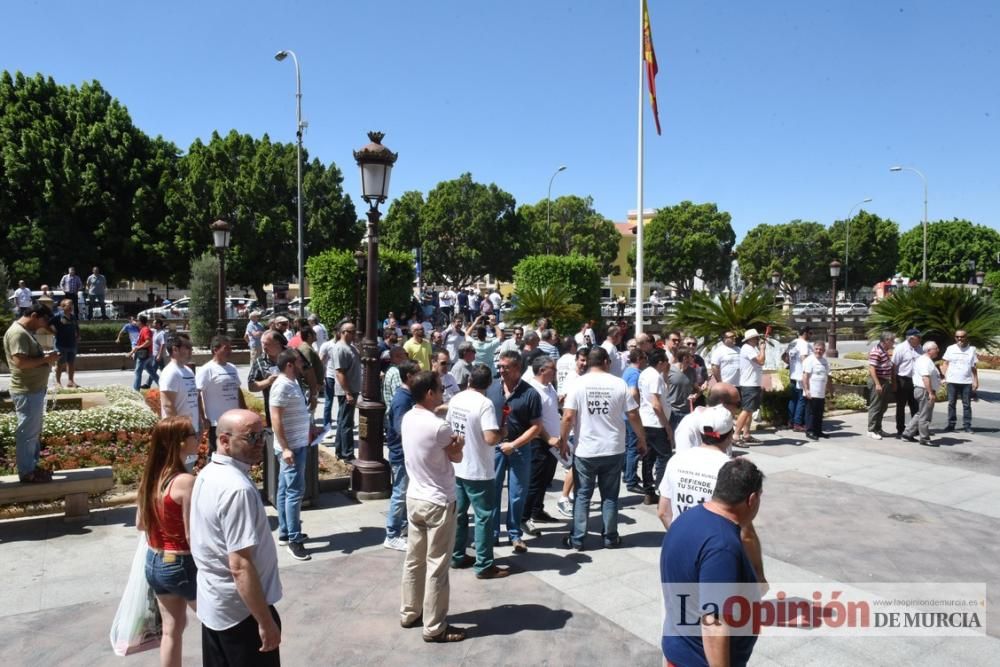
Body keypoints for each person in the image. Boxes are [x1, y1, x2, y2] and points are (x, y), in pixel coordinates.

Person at [191, 409, 282, 666]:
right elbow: (240, 565)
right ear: (224, 441)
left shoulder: (207, 473)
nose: (260, 444)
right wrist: (265, 621)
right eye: (251, 437)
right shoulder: (236, 489)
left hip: (217, 606)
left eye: (262, 435)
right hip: (243, 614)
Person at [661, 458, 765, 667]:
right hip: (697, 659)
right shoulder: (722, 547)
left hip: (679, 646)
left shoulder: (686, 518)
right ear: (752, 499)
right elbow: (713, 623)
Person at [399, 371, 467, 643]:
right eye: (439, 389)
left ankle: (409, 612)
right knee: (437, 566)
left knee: (414, 560)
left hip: (414, 496)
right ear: (429, 393)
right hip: (438, 500)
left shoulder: (409, 417)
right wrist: (459, 445)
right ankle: (434, 626)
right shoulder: (439, 426)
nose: (442, 392)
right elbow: (456, 456)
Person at [560, 346, 646, 550]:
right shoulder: (619, 384)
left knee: (582, 495)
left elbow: (568, 416)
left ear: (588, 362)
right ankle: (610, 536)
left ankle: (578, 538)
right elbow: (633, 414)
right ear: (606, 362)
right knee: (610, 496)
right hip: (613, 448)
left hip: (586, 449)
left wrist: (563, 441)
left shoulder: (579, 384)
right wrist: (642, 438)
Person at [136, 416, 200, 667]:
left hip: (154, 561)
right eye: (194, 434)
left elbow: (140, 524)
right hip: (181, 562)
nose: (198, 437)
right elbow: (192, 535)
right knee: (217, 622)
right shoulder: (185, 482)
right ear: (181, 443)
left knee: (172, 628)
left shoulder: (151, 477)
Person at [447, 364, 508, 578]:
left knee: (459, 515)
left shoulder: (456, 399)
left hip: (458, 466)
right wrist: (502, 432)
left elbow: (449, 429)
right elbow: (490, 438)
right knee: (483, 517)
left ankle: (456, 555)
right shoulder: (485, 404)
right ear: (489, 384)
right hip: (479, 469)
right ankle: (484, 565)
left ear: (469, 380)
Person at [487, 349, 543, 554]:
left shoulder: (530, 394)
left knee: (517, 494)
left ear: (518, 369)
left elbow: (536, 427)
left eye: (506, 367)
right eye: (499, 366)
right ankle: (491, 534)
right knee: (491, 491)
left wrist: (515, 444)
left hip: (519, 449)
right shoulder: (491, 388)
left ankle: (514, 534)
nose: (501, 370)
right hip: (494, 449)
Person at [3, 302, 58, 483]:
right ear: (34, 315)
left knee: (33, 432)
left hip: (33, 389)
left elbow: (28, 359)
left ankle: (32, 467)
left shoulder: (24, 332)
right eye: (43, 321)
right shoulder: (18, 333)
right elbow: (21, 363)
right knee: (27, 433)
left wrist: (45, 359)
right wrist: (47, 359)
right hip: (27, 390)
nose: (44, 325)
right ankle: (27, 473)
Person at [657, 405, 734, 528]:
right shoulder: (730, 469)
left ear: (701, 432)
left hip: (680, 539)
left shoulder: (676, 460)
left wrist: (678, 535)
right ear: (730, 435)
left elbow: (663, 512)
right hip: (713, 542)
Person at [270, 349, 312, 561]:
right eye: (299, 362)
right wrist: (286, 448)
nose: (302, 365)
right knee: (294, 492)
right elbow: (275, 418)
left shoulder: (292, 381)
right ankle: (294, 540)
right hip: (291, 447)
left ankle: (286, 532)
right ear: (289, 365)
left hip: (298, 443)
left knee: (285, 489)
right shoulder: (281, 385)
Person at [522, 356, 561, 534]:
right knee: (534, 481)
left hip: (553, 442)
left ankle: (537, 511)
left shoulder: (550, 387)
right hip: (539, 442)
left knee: (546, 479)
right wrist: (548, 438)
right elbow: (534, 421)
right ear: (542, 370)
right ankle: (524, 517)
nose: (556, 372)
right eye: (553, 369)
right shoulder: (533, 389)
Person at [384, 361, 420, 551]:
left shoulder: (408, 396)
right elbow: (400, 428)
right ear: (408, 377)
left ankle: (403, 526)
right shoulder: (402, 399)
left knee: (404, 492)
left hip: (405, 453)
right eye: (418, 374)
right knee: (399, 493)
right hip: (400, 454)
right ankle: (392, 534)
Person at [196, 336, 246, 453]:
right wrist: (203, 418)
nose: (230, 351)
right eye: (226, 348)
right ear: (215, 349)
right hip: (217, 422)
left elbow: (237, 390)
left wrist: (244, 410)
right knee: (217, 453)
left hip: (235, 420)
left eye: (230, 348)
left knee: (234, 451)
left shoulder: (232, 368)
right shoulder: (207, 369)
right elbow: (197, 393)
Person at [638, 349, 672, 505]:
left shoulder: (646, 373)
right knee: (665, 456)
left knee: (648, 457)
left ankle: (649, 490)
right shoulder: (654, 377)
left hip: (646, 420)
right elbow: (656, 404)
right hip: (655, 422)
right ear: (660, 362)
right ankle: (661, 488)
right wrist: (667, 426)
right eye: (665, 361)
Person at [325, 322, 361, 462]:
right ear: (344, 332)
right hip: (347, 390)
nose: (354, 334)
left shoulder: (351, 347)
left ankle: (340, 451)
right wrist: (348, 392)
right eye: (352, 332)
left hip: (352, 389)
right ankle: (347, 454)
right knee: (346, 423)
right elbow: (340, 372)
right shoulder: (340, 349)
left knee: (343, 421)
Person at [672, 383, 742, 454]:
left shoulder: (724, 422)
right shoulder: (688, 425)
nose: (738, 410)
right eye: (738, 404)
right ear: (723, 405)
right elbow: (683, 460)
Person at [159, 333, 201, 439]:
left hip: (192, 429)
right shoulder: (170, 372)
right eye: (187, 347)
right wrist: (179, 430)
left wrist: (199, 422)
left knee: (192, 456)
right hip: (178, 432)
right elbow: (168, 405)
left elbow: (194, 399)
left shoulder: (188, 371)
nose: (191, 351)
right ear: (175, 349)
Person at [902, 342, 942, 447]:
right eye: (936, 348)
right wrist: (930, 393)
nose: (938, 350)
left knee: (920, 413)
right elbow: (925, 377)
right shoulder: (925, 361)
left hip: (923, 390)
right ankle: (924, 438)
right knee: (925, 415)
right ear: (929, 350)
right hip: (924, 390)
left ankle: (907, 433)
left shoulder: (926, 360)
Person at [942, 329, 979, 433]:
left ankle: (967, 425)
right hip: (952, 381)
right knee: (951, 403)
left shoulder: (972, 349)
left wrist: (975, 381)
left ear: (966, 337)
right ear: (955, 337)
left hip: (966, 382)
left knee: (967, 404)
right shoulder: (950, 348)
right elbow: (945, 363)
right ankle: (951, 425)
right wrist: (945, 377)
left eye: (962, 336)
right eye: (957, 337)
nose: (959, 338)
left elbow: (974, 367)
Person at [734, 328, 766, 446]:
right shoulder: (747, 349)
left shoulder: (751, 348)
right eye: (756, 338)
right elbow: (761, 361)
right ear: (750, 339)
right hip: (749, 384)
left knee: (750, 410)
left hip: (753, 383)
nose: (758, 339)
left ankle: (746, 434)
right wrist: (762, 349)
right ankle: (736, 435)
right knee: (746, 410)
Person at [248, 331, 286, 428]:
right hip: (273, 409)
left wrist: (313, 394)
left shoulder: (292, 356)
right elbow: (251, 386)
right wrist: (268, 381)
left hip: (295, 406)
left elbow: (308, 371)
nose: (264, 347)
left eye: (267, 344)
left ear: (278, 344)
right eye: (263, 343)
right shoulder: (260, 361)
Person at [622, 348, 646, 494]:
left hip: (624, 415)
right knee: (633, 448)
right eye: (644, 358)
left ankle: (627, 474)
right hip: (631, 416)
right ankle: (631, 479)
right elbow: (633, 392)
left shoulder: (626, 371)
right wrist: (638, 407)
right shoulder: (635, 374)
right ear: (639, 359)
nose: (646, 362)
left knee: (628, 447)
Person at [866, 331, 897, 440]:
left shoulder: (884, 350)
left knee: (883, 406)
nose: (894, 342)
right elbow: (872, 368)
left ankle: (878, 429)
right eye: (892, 340)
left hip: (884, 381)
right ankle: (871, 430)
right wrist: (878, 384)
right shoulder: (876, 351)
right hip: (878, 381)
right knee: (876, 406)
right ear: (886, 340)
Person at [892, 328, 923, 437]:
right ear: (911, 338)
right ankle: (900, 429)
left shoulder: (920, 348)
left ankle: (915, 428)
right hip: (902, 380)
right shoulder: (900, 348)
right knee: (901, 406)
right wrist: (894, 383)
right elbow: (894, 366)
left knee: (915, 406)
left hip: (915, 381)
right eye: (918, 337)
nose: (920, 339)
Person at [784, 326, 812, 432]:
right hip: (801, 376)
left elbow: (784, 357)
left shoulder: (793, 342)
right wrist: (807, 373)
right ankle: (797, 423)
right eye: (810, 333)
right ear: (804, 333)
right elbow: (804, 360)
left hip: (793, 375)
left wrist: (792, 365)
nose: (811, 335)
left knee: (793, 399)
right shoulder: (804, 344)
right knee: (802, 400)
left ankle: (790, 421)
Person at [801, 341, 830, 440]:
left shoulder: (824, 361)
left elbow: (827, 375)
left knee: (819, 413)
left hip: (821, 392)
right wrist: (807, 390)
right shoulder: (809, 360)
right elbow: (805, 376)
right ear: (814, 349)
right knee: (811, 413)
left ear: (824, 351)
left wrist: (829, 388)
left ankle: (818, 431)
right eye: (817, 349)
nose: (819, 351)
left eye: (821, 349)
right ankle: (809, 431)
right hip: (812, 392)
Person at [49, 297, 80, 388]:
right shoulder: (57, 316)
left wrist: (78, 335)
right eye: (68, 305)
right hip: (60, 344)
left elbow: (77, 327)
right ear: (62, 307)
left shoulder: (73, 316)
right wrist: (53, 332)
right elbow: (47, 324)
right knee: (60, 363)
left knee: (71, 363)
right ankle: (58, 382)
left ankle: (71, 381)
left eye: (72, 305)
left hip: (72, 343)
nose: (71, 307)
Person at [131, 315, 154, 390]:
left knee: (138, 372)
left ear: (140, 322)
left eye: (137, 321)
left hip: (144, 354)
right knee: (151, 371)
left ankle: (136, 390)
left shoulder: (145, 330)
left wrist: (139, 347)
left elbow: (148, 342)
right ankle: (162, 385)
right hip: (146, 354)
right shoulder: (143, 329)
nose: (136, 322)